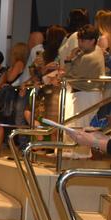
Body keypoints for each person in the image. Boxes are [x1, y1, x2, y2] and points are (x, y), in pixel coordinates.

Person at [62, 24, 106, 159]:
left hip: (85, 93)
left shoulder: (89, 57)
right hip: (86, 93)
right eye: (79, 40)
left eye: (82, 40)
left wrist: (69, 59)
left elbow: (69, 75)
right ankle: (76, 153)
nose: (79, 43)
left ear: (92, 41)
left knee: (79, 126)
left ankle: (79, 155)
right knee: (77, 125)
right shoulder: (96, 50)